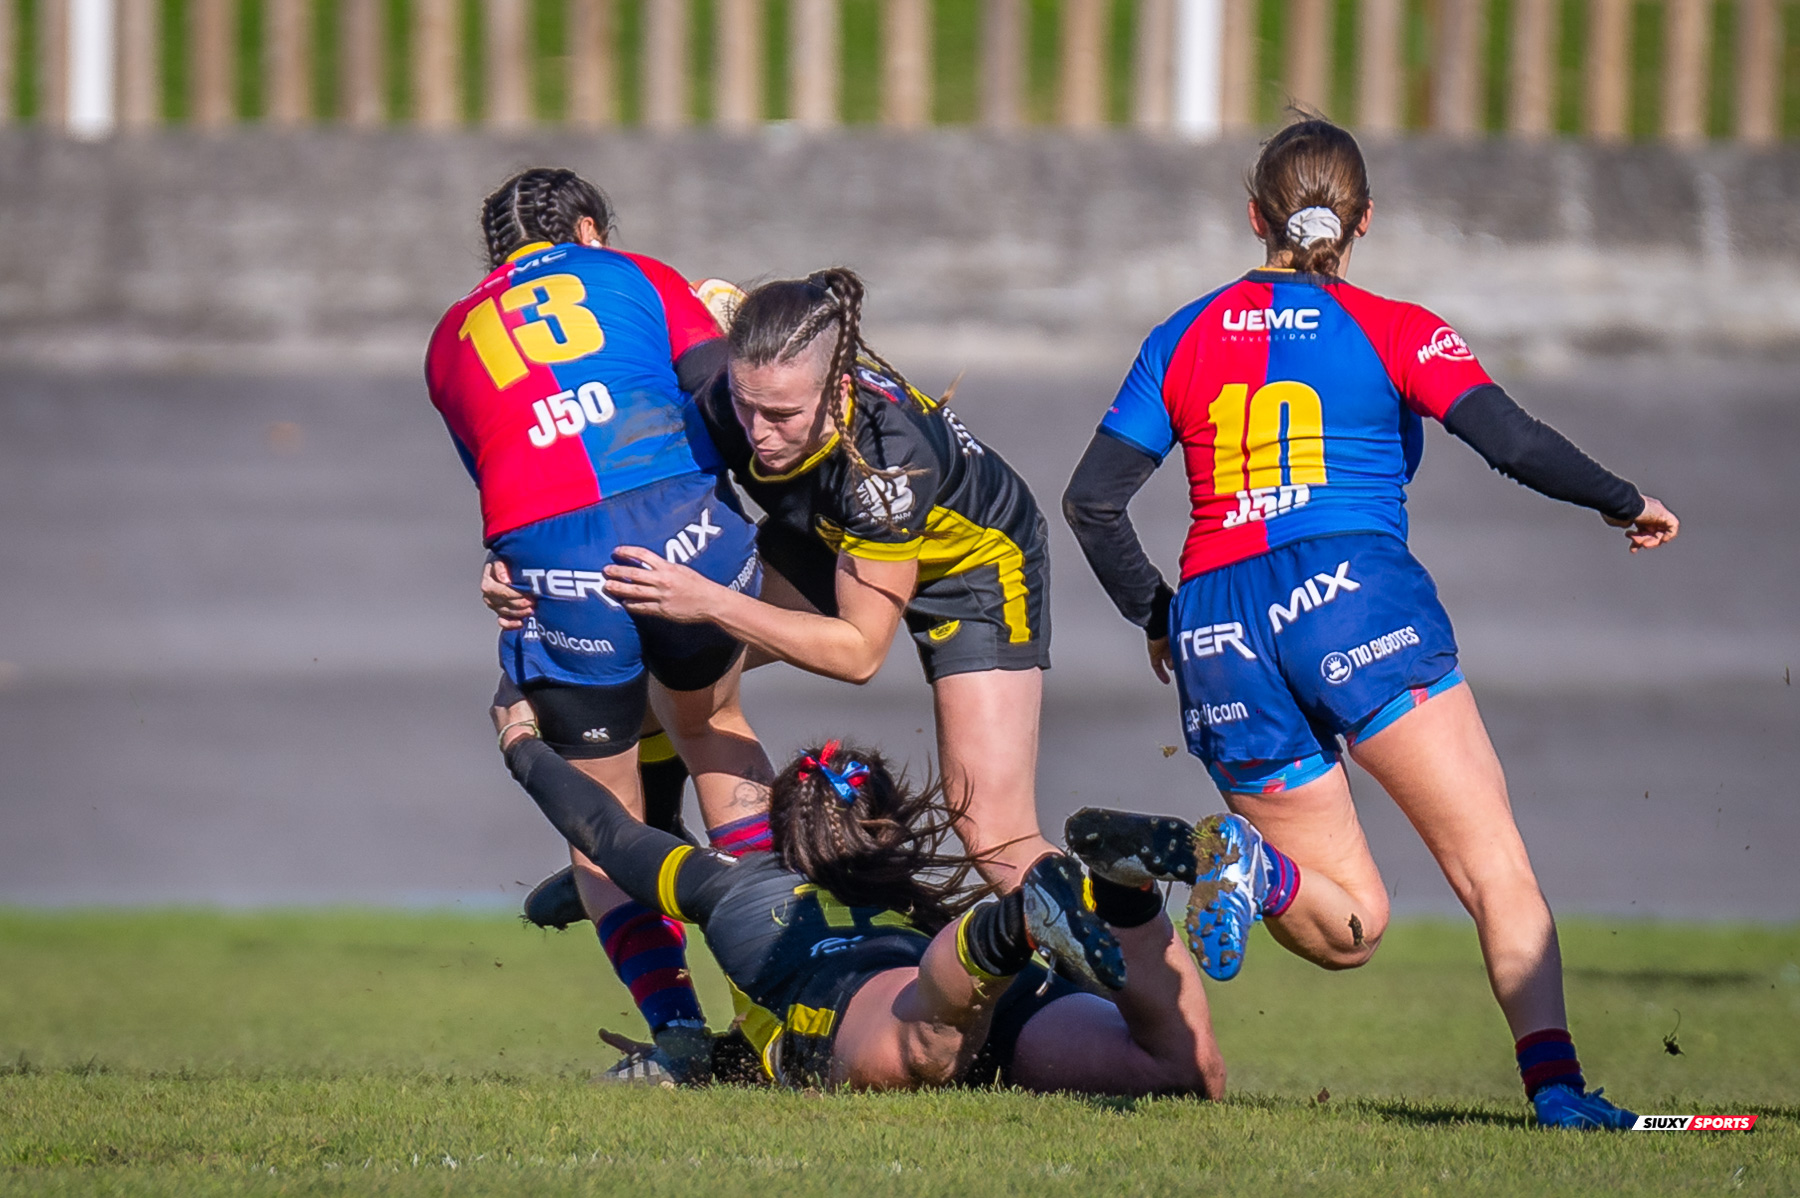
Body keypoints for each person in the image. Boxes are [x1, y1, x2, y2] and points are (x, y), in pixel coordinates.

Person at [1060, 118, 1678, 1131]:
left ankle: (1251, 867)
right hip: (1352, 591)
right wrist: (1621, 498)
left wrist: (1160, 616)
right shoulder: (1396, 328)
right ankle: (1557, 1088)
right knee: (1492, 866)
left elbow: (1093, 502)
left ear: (1253, 215)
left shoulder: (1179, 333)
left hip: (1218, 619)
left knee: (1349, 926)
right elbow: (1510, 439)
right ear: (1365, 222)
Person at [491, 268, 1060, 891]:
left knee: (991, 830)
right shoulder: (719, 390)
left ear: (837, 389)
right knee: (659, 666)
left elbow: (860, 652)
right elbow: (604, 480)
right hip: (827, 538)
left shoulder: (885, 466)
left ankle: (1112, 947)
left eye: (783, 414)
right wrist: (514, 568)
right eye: (746, 405)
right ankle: (651, 848)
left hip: (973, 570)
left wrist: (709, 601)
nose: (759, 433)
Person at [425, 168, 777, 1073]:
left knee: (600, 813)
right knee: (712, 727)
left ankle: (679, 1039)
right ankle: (781, 1005)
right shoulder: (637, 272)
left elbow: (509, 483)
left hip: (556, 564)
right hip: (683, 526)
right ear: (587, 228)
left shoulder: (446, 341)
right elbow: (719, 397)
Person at [493, 693, 1226, 1095]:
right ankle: (1125, 894)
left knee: (918, 1050)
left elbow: (607, 831)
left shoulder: (725, 882)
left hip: (874, 997)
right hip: (988, 994)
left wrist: (522, 744)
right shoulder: (902, 892)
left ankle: (1011, 924)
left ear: (779, 831)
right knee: (1181, 1074)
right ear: (890, 825)